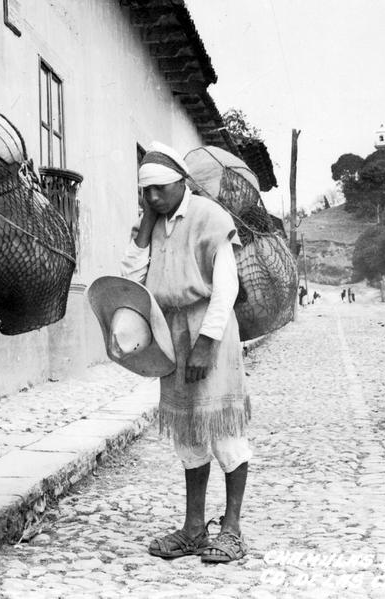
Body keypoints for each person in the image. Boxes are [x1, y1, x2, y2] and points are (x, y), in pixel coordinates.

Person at [121, 142, 250, 564]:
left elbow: (226, 286)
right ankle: (194, 529)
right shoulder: (153, 224)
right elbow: (131, 278)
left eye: (160, 189)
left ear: (182, 182)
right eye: (146, 192)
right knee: (189, 437)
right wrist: (144, 227)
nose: (153, 197)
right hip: (170, 332)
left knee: (224, 433)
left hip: (207, 329)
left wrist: (205, 344)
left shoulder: (210, 217)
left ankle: (231, 531)